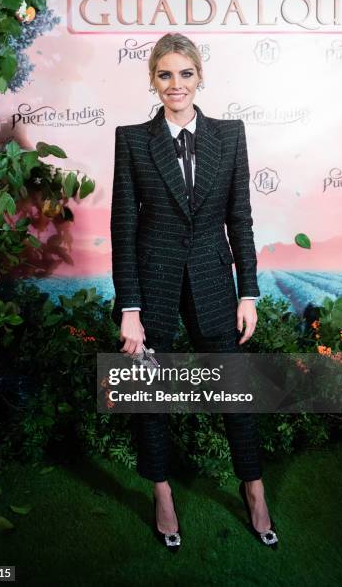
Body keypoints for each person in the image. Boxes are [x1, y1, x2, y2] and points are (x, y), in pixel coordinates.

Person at [110, 32, 278, 551]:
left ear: (199, 76)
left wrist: (246, 292)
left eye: (185, 74)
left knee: (235, 389)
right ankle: (161, 492)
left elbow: (240, 219)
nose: (176, 84)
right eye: (165, 75)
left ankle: (253, 488)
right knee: (147, 389)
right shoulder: (133, 139)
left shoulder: (230, 134)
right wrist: (129, 308)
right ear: (153, 80)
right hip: (152, 281)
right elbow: (123, 227)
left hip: (212, 276)